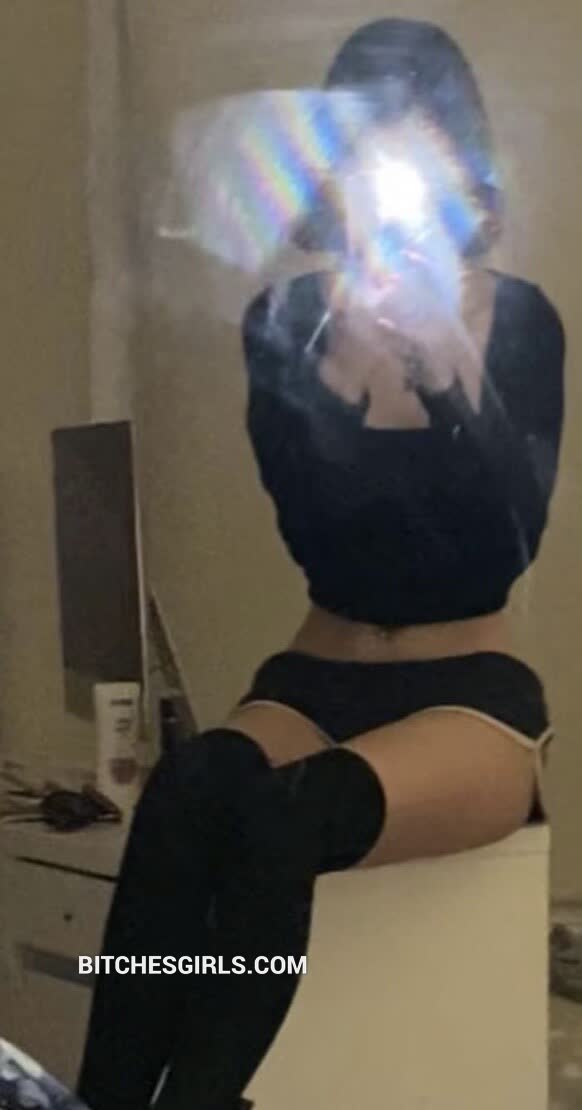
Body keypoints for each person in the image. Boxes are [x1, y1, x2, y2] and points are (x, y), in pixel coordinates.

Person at [77, 18, 565, 1110]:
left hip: (466, 694)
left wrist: (444, 376)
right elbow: (315, 534)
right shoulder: (287, 318)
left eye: (419, 144)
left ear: (460, 161)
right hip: (315, 673)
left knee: (282, 821)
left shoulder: (521, 321)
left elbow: (504, 546)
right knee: (187, 793)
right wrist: (336, 373)